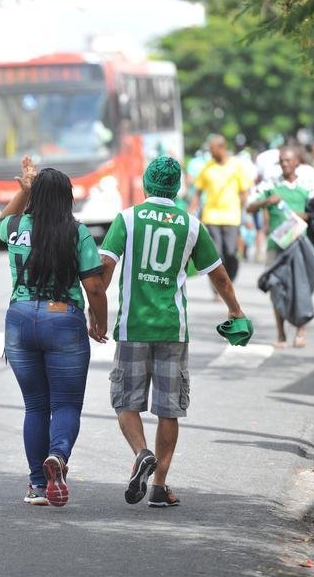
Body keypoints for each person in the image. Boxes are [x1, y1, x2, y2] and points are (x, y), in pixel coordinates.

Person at [97, 156, 246, 507]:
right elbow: (219, 276)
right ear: (176, 188)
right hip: (172, 329)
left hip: (133, 327)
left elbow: (105, 267)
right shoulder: (191, 225)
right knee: (169, 409)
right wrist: (235, 310)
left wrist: (96, 311)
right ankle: (159, 487)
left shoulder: (127, 219)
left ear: (147, 183)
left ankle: (141, 453)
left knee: (125, 401)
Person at [0, 156, 108, 507]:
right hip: (62, 320)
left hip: (19, 319)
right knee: (66, 404)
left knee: (35, 406)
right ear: (67, 198)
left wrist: (24, 191)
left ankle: (37, 486)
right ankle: (57, 456)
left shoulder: (16, 226)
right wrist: (99, 321)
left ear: (35, 197)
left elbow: (1, 221)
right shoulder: (77, 232)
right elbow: (94, 286)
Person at [247, 146, 314, 348]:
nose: (285, 164)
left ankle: (301, 331)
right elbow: (250, 207)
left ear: (297, 162)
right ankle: (280, 334)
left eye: (288, 160)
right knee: (275, 288)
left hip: (299, 245)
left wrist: (305, 216)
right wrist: (267, 201)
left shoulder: (307, 186)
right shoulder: (271, 184)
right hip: (276, 245)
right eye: (282, 161)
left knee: (301, 288)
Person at [189, 135, 252, 282]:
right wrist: (190, 210)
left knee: (230, 252)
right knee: (216, 253)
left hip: (232, 216)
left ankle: (230, 277)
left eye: (212, 149)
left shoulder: (236, 166)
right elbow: (198, 192)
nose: (210, 152)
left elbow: (244, 192)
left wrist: (244, 213)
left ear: (222, 148)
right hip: (211, 216)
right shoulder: (208, 167)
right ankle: (218, 284)